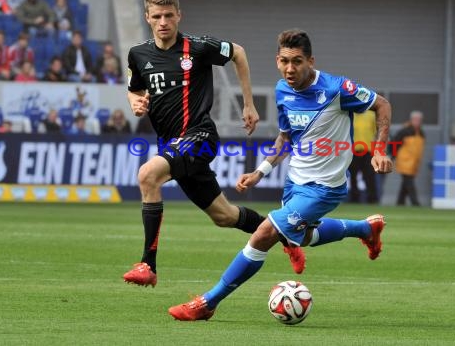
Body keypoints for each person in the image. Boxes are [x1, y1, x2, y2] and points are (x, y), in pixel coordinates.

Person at [168, 29, 393, 321]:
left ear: (310, 61)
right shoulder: (282, 90)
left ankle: (208, 302)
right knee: (302, 237)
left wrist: (379, 149)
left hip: (325, 188)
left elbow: (382, 104)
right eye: (285, 61)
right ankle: (366, 229)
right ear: (277, 61)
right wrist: (260, 172)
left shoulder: (337, 89)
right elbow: (286, 138)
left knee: (265, 233)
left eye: (297, 61)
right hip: (295, 181)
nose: (290, 68)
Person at [123, 0, 305, 288]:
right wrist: (136, 102)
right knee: (224, 216)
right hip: (172, 146)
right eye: (157, 16)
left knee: (147, 174)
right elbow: (134, 88)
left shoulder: (197, 47)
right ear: (148, 18)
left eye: (169, 15)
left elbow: (238, 53)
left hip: (200, 136)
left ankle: (147, 265)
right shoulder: (138, 54)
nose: (164, 21)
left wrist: (248, 103)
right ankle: (286, 237)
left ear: (179, 15)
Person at [392, 111, 425, 206]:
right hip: (404, 161)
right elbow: (394, 143)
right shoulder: (405, 131)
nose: (417, 121)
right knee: (409, 183)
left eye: (419, 120)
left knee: (405, 184)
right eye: (415, 119)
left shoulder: (421, 133)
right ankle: (415, 202)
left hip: (414, 163)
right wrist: (393, 156)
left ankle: (400, 202)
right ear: (411, 120)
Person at [348, 110, 379, 203]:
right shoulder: (350, 115)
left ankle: (372, 199)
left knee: (369, 176)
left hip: (367, 151)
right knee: (353, 176)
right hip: (353, 151)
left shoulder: (371, 115)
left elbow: (375, 132)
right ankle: (354, 199)